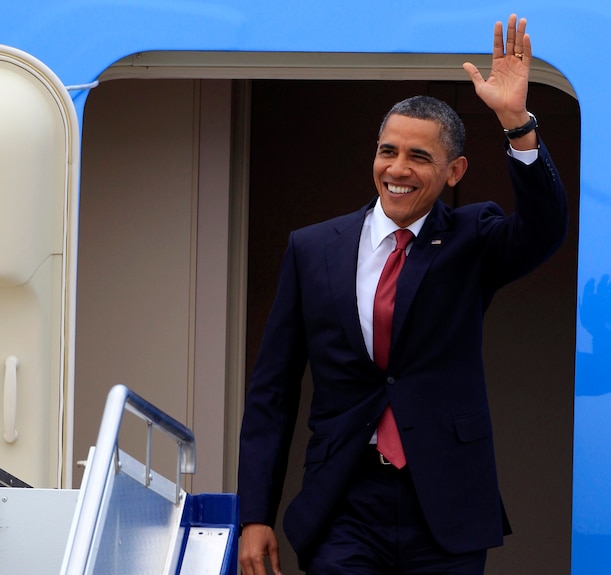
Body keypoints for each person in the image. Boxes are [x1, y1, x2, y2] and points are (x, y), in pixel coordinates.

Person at [237, 14, 568, 575]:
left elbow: (543, 230)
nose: (398, 169)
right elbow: (272, 391)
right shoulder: (313, 248)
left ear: (454, 171)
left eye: (419, 157)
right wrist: (254, 515)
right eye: (388, 151)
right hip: (343, 501)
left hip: (446, 504)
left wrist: (517, 123)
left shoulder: (472, 238)